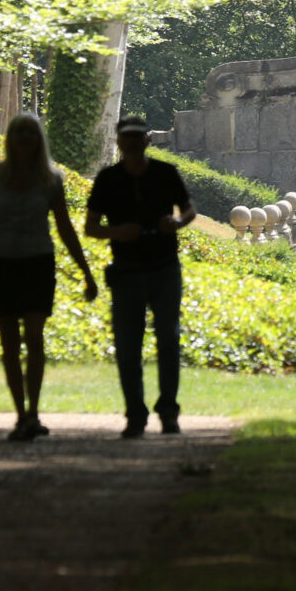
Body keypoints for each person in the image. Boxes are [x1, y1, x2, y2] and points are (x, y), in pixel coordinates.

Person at [0, 113, 97, 441]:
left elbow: (65, 227)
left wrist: (86, 273)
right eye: (19, 132)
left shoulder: (51, 178)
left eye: (31, 132)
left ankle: (35, 412)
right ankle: (21, 414)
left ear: (39, 138)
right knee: (9, 343)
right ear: (10, 138)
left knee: (35, 339)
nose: (25, 137)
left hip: (37, 262)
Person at [83, 115, 195, 437]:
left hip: (164, 268)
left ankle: (168, 412)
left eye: (137, 137)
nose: (131, 143)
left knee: (169, 340)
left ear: (147, 141)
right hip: (127, 271)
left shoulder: (165, 173)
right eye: (126, 137)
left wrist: (176, 223)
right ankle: (135, 414)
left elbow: (189, 210)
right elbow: (90, 227)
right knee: (128, 345)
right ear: (119, 141)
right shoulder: (108, 179)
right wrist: (117, 231)